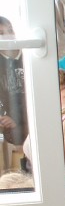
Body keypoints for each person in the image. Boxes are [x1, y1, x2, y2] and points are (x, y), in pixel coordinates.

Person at [0, 17, 27, 147]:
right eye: (1, 33)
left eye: (10, 30)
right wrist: (2, 117)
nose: (7, 36)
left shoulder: (28, 55)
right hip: (12, 127)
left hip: (35, 118)